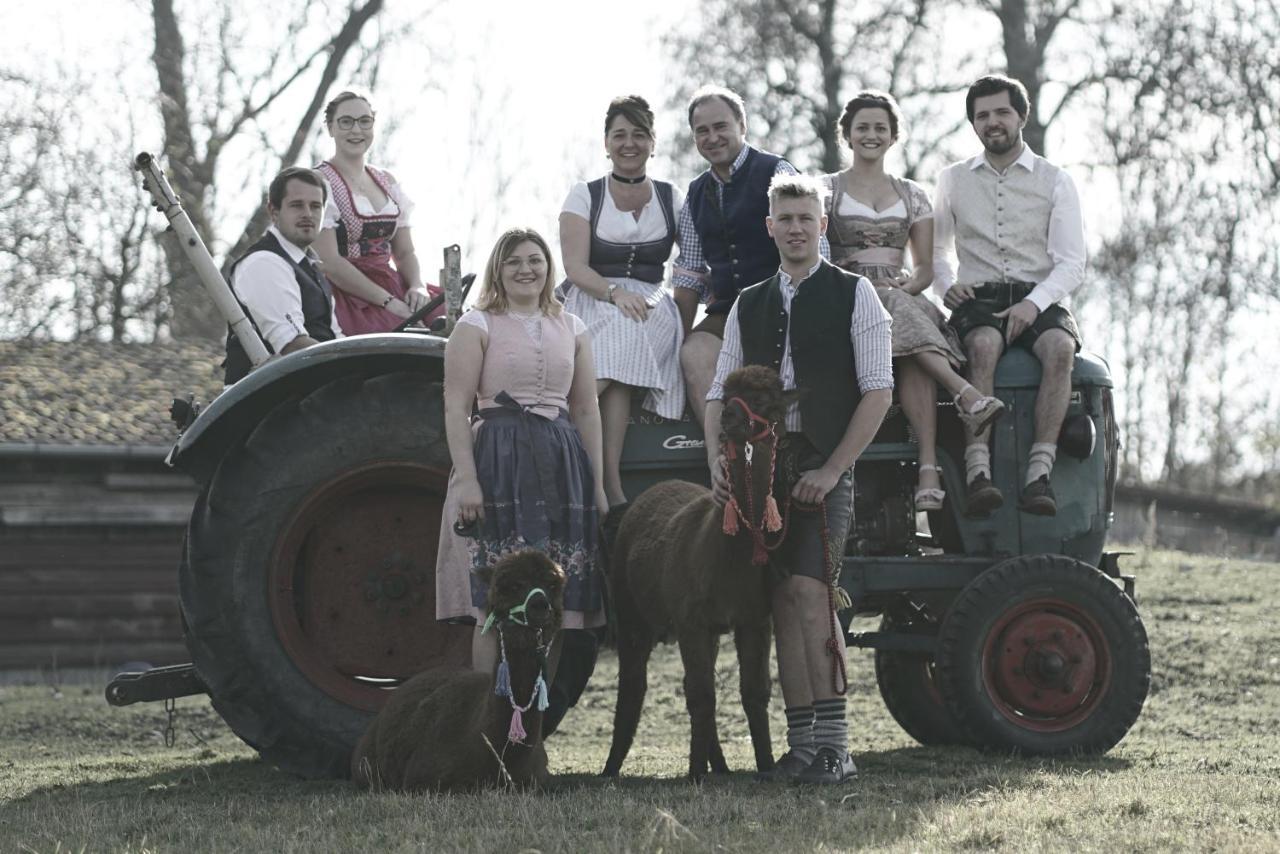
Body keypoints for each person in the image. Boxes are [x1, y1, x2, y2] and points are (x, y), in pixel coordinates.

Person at [705, 175, 893, 784]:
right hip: (760, 471)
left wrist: (834, 469)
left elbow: (879, 391)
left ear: (821, 224)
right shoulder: (748, 302)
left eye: (805, 218)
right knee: (782, 602)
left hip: (823, 463)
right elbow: (718, 393)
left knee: (814, 596)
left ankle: (838, 748)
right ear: (770, 227)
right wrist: (719, 463)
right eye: (784, 218)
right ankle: (804, 749)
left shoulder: (856, 294)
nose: (794, 228)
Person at [434, 227, 609, 685]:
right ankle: (484, 723)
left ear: (549, 269)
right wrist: (469, 481)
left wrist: (598, 487)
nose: (525, 269)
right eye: (513, 261)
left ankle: (533, 727)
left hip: (560, 461)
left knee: (554, 602)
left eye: (534, 260)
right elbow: (456, 406)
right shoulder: (477, 325)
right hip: (498, 461)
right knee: (495, 600)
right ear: (499, 269)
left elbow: (586, 408)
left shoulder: (572, 327)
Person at [823, 91, 1004, 511]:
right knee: (887, 308)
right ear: (847, 135)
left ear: (892, 136)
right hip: (844, 296)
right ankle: (965, 395)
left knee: (908, 347)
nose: (871, 135)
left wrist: (907, 287)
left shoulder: (911, 194)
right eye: (862, 127)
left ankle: (927, 470)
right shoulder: (826, 190)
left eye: (880, 128)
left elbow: (925, 267)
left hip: (899, 294)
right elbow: (817, 256)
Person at [933, 74, 1086, 517]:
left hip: (1040, 297)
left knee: (1060, 348)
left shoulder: (1056, 180)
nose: (992, 122)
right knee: (981, 346)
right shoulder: (952, 179)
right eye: (982, 116)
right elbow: (937, 253)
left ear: (1021, 116)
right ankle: (978, 472)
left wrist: (1033, 304)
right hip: (977, 299)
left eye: (1002, 112)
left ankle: (1039, 475)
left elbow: (1071, 262)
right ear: (973, 125)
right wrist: (946, 286)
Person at [559, 95, 686, 521]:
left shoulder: (672, 197)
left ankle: (557, 419)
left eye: (638, 134)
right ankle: (607, 483)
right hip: (594, 295)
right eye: (619, 135)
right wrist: (614, 293)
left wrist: (685, 320)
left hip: (651, 301)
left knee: (628, 338)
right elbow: (575, 266)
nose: (628, 143)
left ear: (653, 142)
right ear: (606, 143)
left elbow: (692, 264)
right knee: (618, 338)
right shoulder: (585, 195)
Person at [673, 85, 825, 427]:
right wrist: (678, 337)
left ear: (742, 126)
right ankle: (721, 456)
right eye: (702, 131)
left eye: (720, 126)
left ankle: (781, 450)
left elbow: (816, 246)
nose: (712, 137)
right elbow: (690, 274)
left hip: (783, 302)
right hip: (728, 311)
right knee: (694, 354)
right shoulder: (696, 193)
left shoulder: (776, 171)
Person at [313, 89, 439, 334]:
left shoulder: (386, 181)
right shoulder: (320, 181)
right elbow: (329, 262)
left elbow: (404, 251)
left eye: (364, 121)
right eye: (346, 122)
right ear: (330, 128)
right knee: (398, 338)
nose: (356, 130)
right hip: (351, 292)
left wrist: (417, 286)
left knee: (453, 324)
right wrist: (388, 302)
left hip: (393, 282)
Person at [225, 166, 343, 384]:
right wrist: (353, 367)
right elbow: (293, 346)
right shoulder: (263, 263)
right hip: (272, 400)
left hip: (311, 387)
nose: (308, 214)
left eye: (315, 206)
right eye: (297, 205)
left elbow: (335, 338)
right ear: (274, 211)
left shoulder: (310, 267)